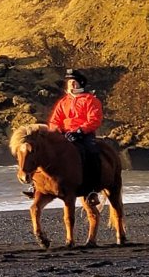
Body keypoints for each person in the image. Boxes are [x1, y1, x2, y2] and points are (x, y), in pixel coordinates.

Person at [23, 68, 104, 200]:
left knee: (91, 153)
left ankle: (92, 190)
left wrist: (79, 131)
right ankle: (36, 185)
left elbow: (94, 120)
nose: (71, 85)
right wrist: (58, 132)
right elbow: (55, 120)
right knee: (41, 151)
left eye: (74, 82)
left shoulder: (90, 100)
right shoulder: (63, 102)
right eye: (69, 82)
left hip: (83, 134)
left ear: (80, 83)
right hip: (63, 134)